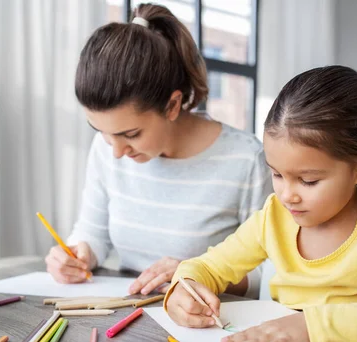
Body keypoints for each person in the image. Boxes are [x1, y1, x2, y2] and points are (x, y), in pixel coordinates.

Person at [165, 65, 357, 342]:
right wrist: (186, 286)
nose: (287, 195)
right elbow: (208, 267)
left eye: (308, 181)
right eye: (277, 174)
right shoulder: (273, 218)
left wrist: (311, 326)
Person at [44, 3, 272, 298]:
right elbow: (93, 233)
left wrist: (201, 272)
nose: (116, 151)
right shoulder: (106, 149)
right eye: (101, 131)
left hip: (203, 323)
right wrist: (78, 254)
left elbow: (268, 273)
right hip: (126, 310)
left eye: (131, 134)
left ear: (173, 105)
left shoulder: (246, 160)